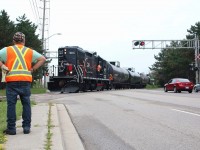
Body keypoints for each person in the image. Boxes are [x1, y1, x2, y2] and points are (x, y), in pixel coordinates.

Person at [0, 32, 46, 135]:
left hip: (11, 81)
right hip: (25, 81)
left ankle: (11, 129)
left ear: (13, 41)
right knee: (26, 104)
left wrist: (2, 65)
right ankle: (26, 128)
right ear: (24, 41)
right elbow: (42, 59)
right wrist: (33, 68)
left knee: (11, 105)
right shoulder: (29, 51)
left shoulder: (7, 50)